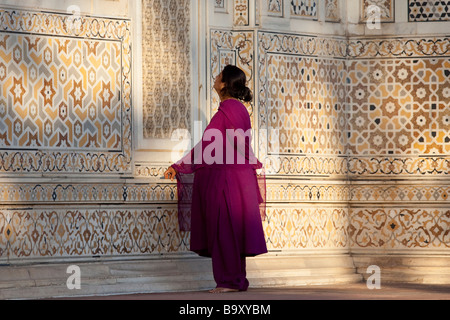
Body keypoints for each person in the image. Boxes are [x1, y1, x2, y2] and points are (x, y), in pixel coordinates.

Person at [164, 65, 267, 293]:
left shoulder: (226, 111)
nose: (215, 77)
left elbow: (206, 146)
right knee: (233, 232)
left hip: (227, 182)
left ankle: (228, 282)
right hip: (241, 181)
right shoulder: (239, 109)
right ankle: (237, 280)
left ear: (224, 84)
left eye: (219, 76)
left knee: (223, 231)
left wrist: (178, 166)